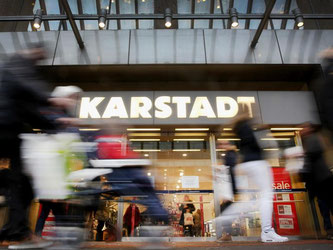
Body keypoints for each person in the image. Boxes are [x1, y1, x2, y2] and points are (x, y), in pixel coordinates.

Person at [0, 44, 60, 248]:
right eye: (40, 56)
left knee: (21, 183)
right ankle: (17, 232)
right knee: (19, 182)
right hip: (5, 130)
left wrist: (52, 125)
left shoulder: (16, 70)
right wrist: (51, 99)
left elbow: (27, 109)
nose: (40, 60)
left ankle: (16, 231)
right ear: (34, 52)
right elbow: (29, 90)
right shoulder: (18, 64)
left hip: (10, 130)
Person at [216, 111, 288, 243]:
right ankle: (267, 231)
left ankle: (224, 217)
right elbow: (257, 144)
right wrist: (263, 131)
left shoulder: (239, 129)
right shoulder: (247, 126)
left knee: (248, 200)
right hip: (256, 163)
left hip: (245, 165)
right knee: (266, 195)